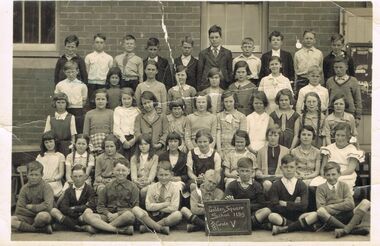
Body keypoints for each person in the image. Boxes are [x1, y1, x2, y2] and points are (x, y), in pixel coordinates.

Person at [272, 162, 354, 236]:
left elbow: (351, 204)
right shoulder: (321, 188)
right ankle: (350, 230)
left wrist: (330, 207)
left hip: (345, 215)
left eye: (333, 174)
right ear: (324, 176)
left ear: (339, 174)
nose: (331, 178)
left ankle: (345, 229)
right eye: (328, 175)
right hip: (328, 217)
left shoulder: (344, 186)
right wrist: (342, 204)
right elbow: (321, 209)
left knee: (365, 203)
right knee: (318, 212)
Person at [83, 158, 137, 235]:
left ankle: (99, 228)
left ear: (128, 171)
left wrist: (118, 214)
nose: (120, 173)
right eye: (118, 170)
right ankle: (119, 230)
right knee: (87, 215)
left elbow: (135, 208)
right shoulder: (107, 187)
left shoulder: (133, 187)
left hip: (123, 217)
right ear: (113, 171)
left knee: (129, 215)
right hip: (108, 216)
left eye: (123, 170)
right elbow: (100, 206)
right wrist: (108, 214)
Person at [267, 154, 308, 231]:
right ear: (281, 168)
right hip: (282, 217)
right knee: (272, 216)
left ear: (296, 168)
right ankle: (297, 226)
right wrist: (295, 205)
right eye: (285, 167)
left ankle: (286, 227)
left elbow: (304, 206)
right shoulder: (276, 185)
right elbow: (275, 207)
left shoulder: (301, 185)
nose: (288, 170)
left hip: (299, 216)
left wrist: (286, 204)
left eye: (291, 167)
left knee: (314, 215)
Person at [320, 122, 364, 193]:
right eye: (337, 135)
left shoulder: (352, 149)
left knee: (338, 185)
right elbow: (323, 167)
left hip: (345, 175)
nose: (339, 138)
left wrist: (336, 175)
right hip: (328, 174)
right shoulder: (328, 149)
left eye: (343, 135)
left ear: (348, 137)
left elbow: (350, 169)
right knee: (318, 184)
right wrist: (324, 175)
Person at [11, 161, 54, 234]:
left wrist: (32, 207)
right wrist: (39, 207)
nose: (33, 177)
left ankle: (26, 227)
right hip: (26, 217)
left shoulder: (46, 187)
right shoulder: (24, 188)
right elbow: (20, 209)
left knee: (43, 216)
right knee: (10, 220)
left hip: (40, 216)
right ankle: (40, 229)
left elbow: (48, 206)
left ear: (42, 175)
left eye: (36, 175)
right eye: (31, 174)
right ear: (27, 175)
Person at [50, 165, 96, 233]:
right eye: (75, 176)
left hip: (83, 217)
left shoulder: (90, 190)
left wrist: (73, 208)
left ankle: (67, 226)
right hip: (70, 217)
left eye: (80, 176)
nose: (78, 179)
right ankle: (76, 227)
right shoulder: (68, 190)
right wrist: (75, 212)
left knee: (88, 211)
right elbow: (63, 207)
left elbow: (91, 205)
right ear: (71, 177)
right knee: (54, 211)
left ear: (85, 177)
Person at [141, 161, 183, 234]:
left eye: (166, 175)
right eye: (161, 175)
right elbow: (148, 206)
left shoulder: (175, 188)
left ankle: (150, 227)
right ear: (157, 175)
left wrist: (155, 206)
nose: (163, 178)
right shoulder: (152, 187)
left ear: (171, 175)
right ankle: (159, 227)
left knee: (178, 214)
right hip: (153, 215)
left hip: (167, 216)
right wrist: (166, 204)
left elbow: (174, 207)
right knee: (138, 211)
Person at [225, 158, 267, 229]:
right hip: (237, 213)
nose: (244, 174)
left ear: (252, 171)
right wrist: (229, 201)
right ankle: (249, 225)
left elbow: (261, 204)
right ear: (237, 171)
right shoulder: (232, 185)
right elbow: (225, 203)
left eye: (247, 171)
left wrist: (246, 206)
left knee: (266, 211)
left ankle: (246, 224)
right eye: (242, 171)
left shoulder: (257, 185)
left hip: (252, 213)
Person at [326, 57, 362, 127]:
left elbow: (358, 100)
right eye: (336, 67)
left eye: (341, 67)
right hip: (333, 114)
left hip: (349, 114)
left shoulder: (353, 81)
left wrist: (357, 117)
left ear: (346, 67)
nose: (338, 70)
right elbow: (327, 99)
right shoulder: (329, 81)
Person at [54, 60, 87, 134]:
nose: (71, 74)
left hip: (78, 111)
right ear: (64, 72)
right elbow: (56, 98)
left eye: (73, 72)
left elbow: (84, 100)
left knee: (78, 129)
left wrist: (77, 106)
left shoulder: (82, 85)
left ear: (77, 71)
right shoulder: (60, 85)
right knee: (66, 130)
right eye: (68, 72)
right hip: (65, 109)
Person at [197, 25, 232, 90]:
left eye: (216, 37)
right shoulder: (203, 53)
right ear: (209, 38)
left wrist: (228, 85)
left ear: (221, 38)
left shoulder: (227, 53)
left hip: (223, 85)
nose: (214, 40)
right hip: (207, 86)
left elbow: (230, 72)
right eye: (212, 37)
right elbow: (199, 73)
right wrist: (199, 88)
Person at [85, 33, 113, 108]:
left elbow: (110, 73)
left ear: (104, 44)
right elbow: (87, 71)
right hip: (91, 84)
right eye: (97, 42)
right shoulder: (89, 57)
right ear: (94, 43)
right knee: (92, 103)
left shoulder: (109, 58)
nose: (99, 44)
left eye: (101, 42)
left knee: (102, 103)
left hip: (103, 84)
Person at [44, 92, 76, 157]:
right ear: (55, 103)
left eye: (63, 102)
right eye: (58, 102)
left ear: (66, 104)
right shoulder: (50, 117)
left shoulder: (70, 117)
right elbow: (46, 134)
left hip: (66, 145)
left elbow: (73, 135)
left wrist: (72, 147)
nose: (61, 105)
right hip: (53, 145)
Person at [216, 90, 247, 158]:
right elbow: (218, 133)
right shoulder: (219, 116)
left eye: (231, 101)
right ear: (223, 102)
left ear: (235, 102)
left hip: (236, 148)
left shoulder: (241, 116)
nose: (228, 104)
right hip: (223, 149)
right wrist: (219, 150)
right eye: (226, 102)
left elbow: (242, 136)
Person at [294, 29, 324, 98]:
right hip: (301, 80)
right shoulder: (298, 54)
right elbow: (295, 70)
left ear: (314, 40)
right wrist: (295, 87)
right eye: (306, 38)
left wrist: (321, 84)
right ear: (303, 40)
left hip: (314, 80)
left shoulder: (319, 53)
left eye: (311, 38)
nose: (308, 40)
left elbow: (321, 70)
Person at [83, 88, 114, 154]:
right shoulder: (89, 113)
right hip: (93, 143)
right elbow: (86, 132)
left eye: (103, 99)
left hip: (107, 143)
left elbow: (112, 131)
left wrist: (107, 143)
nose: (100, 101)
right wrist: (90, 145)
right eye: (98, 99)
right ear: (94, 100)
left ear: (107, 101)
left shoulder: (111, 113)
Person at [113, 88, 140, 160]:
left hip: (134, 140)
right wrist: (124, 141)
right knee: (122, 160)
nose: (126, 101)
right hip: (122, 139)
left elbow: (139, 127)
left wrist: (134, 139)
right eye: (124, 99)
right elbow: (116, 128)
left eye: (129, 98)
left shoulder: (137, 110)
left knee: (134, 159)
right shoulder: (118, 110)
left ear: (132, 98)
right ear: (121, 99)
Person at [130, 133, 159, 203]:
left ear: (150, 145)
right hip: (137, 181)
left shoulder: (155, 157)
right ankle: (135, 207)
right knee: (134, 189)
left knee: (144, 191)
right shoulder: (134, 158)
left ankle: (146, 208)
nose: (143, 146)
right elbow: (133, 172)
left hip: (149, 182)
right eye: (141, 144)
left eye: (146, 144)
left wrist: (148, 181)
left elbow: (153, 172)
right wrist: (135, 180)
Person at [36, 131, 65, 198]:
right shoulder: (40, 156)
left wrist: (52, 179)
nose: (49, 144)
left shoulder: (60, 156)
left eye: (51, 141)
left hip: (54, 183)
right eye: (46, 142)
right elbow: (37, 171)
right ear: (43, 144)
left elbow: (61, 173)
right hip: (42, 182)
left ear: (55, 141)